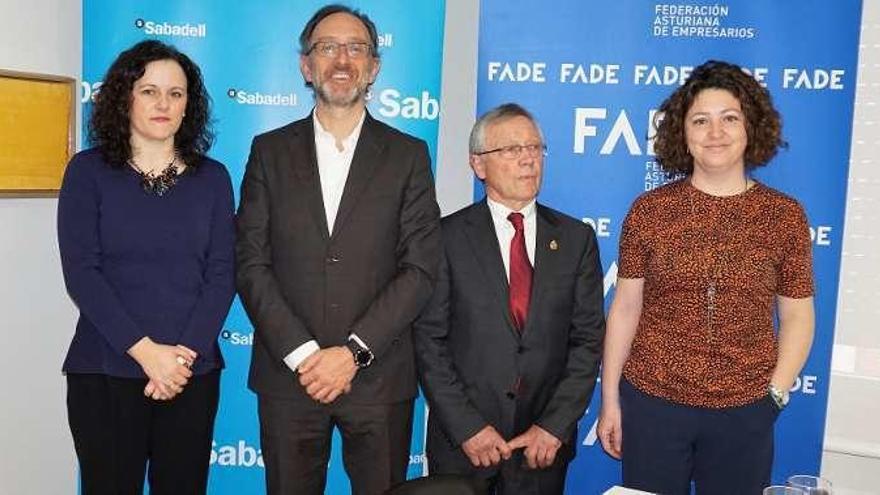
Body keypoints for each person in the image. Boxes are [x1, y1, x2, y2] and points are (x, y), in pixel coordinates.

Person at [235, 4, 441, 495]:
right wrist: (306, 355)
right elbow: (250, 263)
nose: (342, 59)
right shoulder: (269, 151)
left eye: (356, 48)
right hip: (291, 379)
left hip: (377, 379)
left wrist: (352, 353)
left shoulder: (408, 156)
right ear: (306, 66)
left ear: (374, 67)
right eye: (327, 47)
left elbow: (420, 268)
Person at [597, 60, 816, 495]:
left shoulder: (784, 216)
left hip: (746, 411)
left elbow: (797, 315)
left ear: (750, 127)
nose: (715, 132)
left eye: (729, 118)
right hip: (653, 402)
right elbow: (624, 309)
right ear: (684, 134)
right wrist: (610, 402)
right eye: (701, 120)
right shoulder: (650, 211)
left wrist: (775, 393)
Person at [58, 39, 235, 494]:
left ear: (187, 106)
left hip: (189, 374)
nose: (163, 103)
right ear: (124, 97)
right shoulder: (87, 171)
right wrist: (147, 353)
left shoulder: (213, 179)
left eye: (176, 94)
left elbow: (222, 275)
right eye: (149, 91)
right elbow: (82, 271)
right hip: (105, 368)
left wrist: (180, 358)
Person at [414, 103, 606, 494]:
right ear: (478, 165)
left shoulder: (575, 240)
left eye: (535, 149)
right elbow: (429, 342)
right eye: (511, 150)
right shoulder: (445, 238)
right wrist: (469, 427)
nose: (528, 160)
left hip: (541, 450)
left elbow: (587, 341)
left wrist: (553, 426)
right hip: (463, 448)